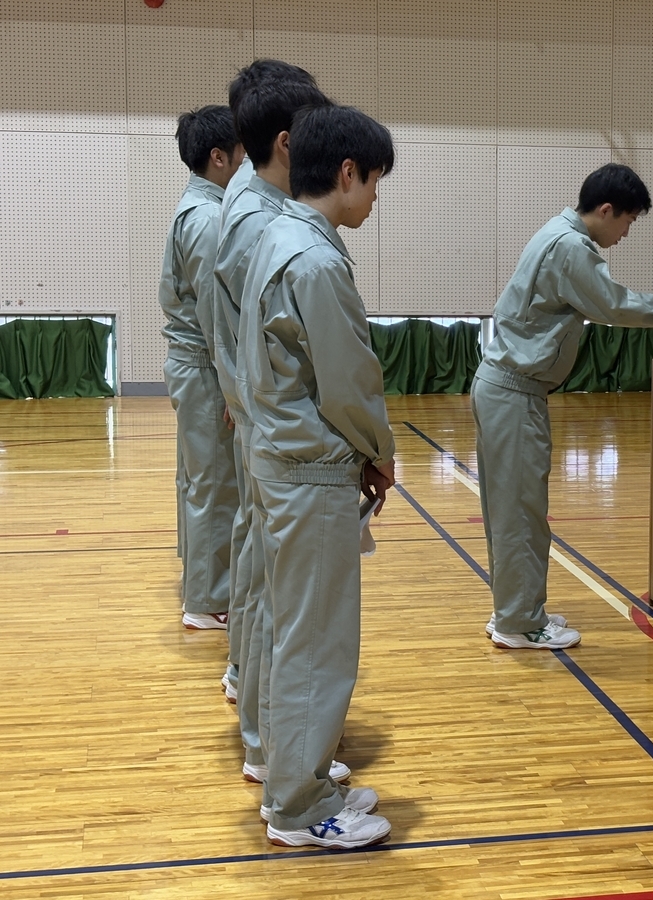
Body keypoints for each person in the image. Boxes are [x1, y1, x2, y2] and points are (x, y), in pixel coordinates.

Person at [474, 163, 653, 650]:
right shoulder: (571, 247)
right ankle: (518, 622)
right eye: (628, 222)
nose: (626, 234)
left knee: (513, 510)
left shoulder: (557, 232)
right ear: (606, 210)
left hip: (507, 389)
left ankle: (515, 610)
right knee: (520, 514)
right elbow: (614, 305)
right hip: (514, 393)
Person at [240, 104, 396, 849]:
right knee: (318, 643)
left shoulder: (275, 235)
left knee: (292, 629)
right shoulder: (317, 260)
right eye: (376, 182)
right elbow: (348, 380)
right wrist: (379, 450)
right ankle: (298, 808)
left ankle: (293, 776)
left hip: (280, 457)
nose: (376, 198)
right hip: (310, 470)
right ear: (346, 173)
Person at [213, 63, 347, 790]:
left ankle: (270, 739)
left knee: (271, 587)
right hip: (281, 436)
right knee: (285, 600)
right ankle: (275, 752)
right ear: (291, 141)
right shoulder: (263, 219)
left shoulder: (259, 201)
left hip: (266, 426)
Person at [159, 105, 243, 631]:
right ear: (219, 157)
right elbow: (216, 315)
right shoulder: (208, 220)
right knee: (215, 483)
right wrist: (236, 389)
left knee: (198, 479)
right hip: (205, 368)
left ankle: (201, 581)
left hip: (192, 364)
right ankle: (209, 599)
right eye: (243, 153)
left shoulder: (196, 208)